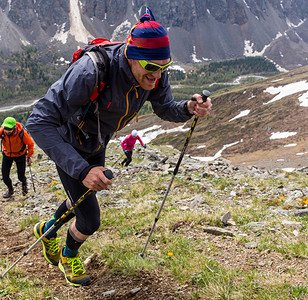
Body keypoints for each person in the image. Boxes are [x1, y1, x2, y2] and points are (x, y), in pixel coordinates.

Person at [26, 7, 212, 287]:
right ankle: (68, 255)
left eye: (165, 67)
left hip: (97, 140)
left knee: (79, 200)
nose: (157, 77)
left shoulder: (154, 71)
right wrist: (81, 170)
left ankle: (47, 229)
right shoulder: (90, 71)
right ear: (131, 55)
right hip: (68, 142)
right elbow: (38, 121)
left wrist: (188, 108)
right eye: (152, 68)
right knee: (90, 219)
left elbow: (164, 108)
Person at [0, 117, 34, 198]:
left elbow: (30, 144)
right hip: (7, 155)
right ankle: (10, 190)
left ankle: (24, 184)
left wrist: (29, 156)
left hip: (20, 155)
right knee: (5, 176)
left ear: (14, 127)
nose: (7, 130)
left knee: (21, 176)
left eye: (9, 129)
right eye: (6, 128)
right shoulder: (2, 131)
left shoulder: (22, 133)